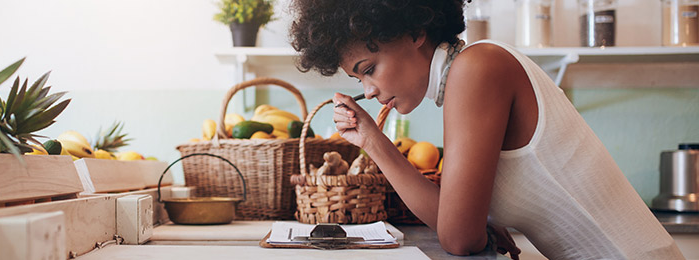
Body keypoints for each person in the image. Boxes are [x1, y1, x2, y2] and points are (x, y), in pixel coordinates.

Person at [289, 0, 685, 259]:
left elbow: (459, 239)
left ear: (414, 33)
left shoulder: (477, 69)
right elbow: (453, 222)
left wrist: (476, 232)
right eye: (359, 82)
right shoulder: (468, 72)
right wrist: (373, 143)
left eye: (369, 71)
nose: (369, 91)